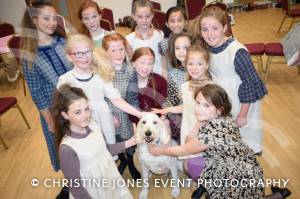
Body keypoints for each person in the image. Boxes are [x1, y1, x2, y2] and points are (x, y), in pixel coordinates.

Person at [150, 84, 291, 199]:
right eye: (198, 103)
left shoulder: (209, 135)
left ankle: (279, 195)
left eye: (206, 106)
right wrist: (199, 122)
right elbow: (189, 141)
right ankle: (281, 194)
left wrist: (162, 150)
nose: (199, 108)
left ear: (219, 109)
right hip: (248, 170)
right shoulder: (226, 119)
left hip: (235, 179)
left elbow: (184, 149)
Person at [194, 5, 267, 153]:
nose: (210, 34)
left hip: (242, 102)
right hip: (222, 99)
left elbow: (249, 84)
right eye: (205, 29)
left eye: (215, 28)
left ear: (225, 27)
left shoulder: (236, 52)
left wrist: (243, 114)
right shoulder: (208, 47)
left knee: (245, 142)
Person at [57, 34, 143, 160]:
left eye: (87, 52)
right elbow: (63, 112)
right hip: (81, 124)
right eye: (78, 53)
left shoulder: (100, 75)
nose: (84, 57)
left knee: (107, 156)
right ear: (69, 57)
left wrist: (139, 114)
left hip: (104, 120)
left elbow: (117, 99)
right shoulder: (65, 80)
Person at [51, 84, 134, 199]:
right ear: (65, 115)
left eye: (86, 109)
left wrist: (133, 140)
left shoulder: (93, 125)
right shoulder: (67, 148)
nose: (85, 115)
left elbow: (106, 150)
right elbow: (76, 188)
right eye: (77, 112)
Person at [20, 0, 71, 172]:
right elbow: (37, 93)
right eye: (46, 18)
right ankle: (72, 184)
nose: (52, 23)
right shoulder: (29, 54)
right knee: (66, 150)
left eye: (54, 18)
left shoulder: (63, 41)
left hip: (78, 102)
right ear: (34, 20)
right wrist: (50, 121)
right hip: (54, 109)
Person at [153, 45, 213, 152]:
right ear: (186, 64)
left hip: (203, 131)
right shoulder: (185, 86)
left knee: (200, 162)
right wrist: (166, 110)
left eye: (199, 64)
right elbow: (187, 106)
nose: (194, 67)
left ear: (206, 65)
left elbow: (210, 115)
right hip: (188, 125)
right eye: (191, 63)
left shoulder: (210, 88)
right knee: (189, 162)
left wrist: (194, 132)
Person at [102, 32, 141, 179]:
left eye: (121, 49)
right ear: (106, 53)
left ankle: (130, 162)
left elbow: (132, 97)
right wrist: (109, 115)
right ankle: (122, 161)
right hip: (107, 114)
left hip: (125, 112)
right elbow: (98, 98)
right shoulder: (102, 71)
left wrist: (135, 120)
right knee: (112, 140)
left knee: (128, 140)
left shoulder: (130, 70)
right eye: (113, 50)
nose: (118, 54)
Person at [127, 47, 167, 124]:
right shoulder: (127, 81)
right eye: (142, 63)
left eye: (150, 63)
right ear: (134, 63)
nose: (146, 67)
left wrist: (162, 119)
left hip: (156, 124)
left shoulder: (160, 81)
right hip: (132, 126)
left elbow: (166, 106)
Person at [126, 0, 165, 77]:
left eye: (147, 16)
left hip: (158, 77)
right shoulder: (128, 39)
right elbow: (130, 65)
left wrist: (165, 80)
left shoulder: (160, 35)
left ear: (152, 15)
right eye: (140, 17)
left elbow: (164, 61)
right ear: (133, 16)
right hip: (139, 79)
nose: (144, 20)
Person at [158, 6, 187, 75]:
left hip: (189, 80)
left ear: (186, 22)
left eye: (180, 20)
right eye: (172, 21)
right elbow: (164, 68)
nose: (176, 24)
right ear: (167, 24)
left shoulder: (192, 40)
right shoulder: (164, 43)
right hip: (172, 81)